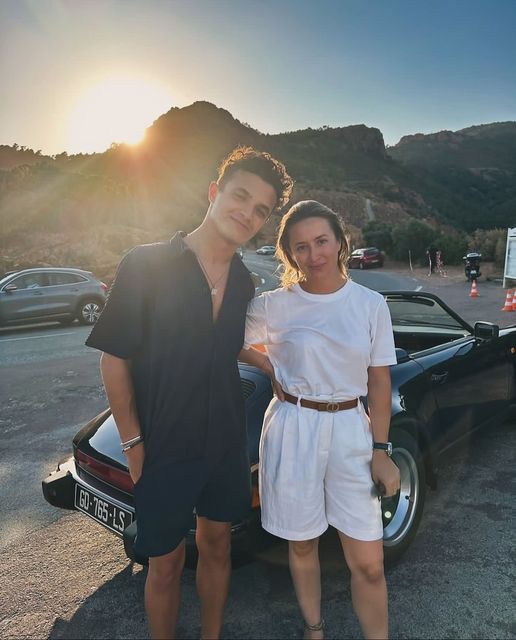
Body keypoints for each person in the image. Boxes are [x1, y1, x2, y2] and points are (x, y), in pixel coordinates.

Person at [85, 146, 293, 640]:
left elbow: (221, 344)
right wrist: (134, 446)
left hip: (224, 441)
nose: (247, 213)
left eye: (261, 210)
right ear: (214, 192)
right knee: (166, 560)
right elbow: (114, 358)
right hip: (163, 444)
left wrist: (263, 360)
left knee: (218, 546)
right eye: (240, 196)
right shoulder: (147, 264)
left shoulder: (244, 281)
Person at [239, 200, 400, 639]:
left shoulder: (370, 305)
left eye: (322, 241)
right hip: (293, 427)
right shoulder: (274, 305)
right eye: (302, 247)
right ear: (290, 255)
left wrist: (382, 450)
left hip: (351, 428)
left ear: (341, 241)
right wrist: (269, 366)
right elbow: (233, 341)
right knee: (303, 542)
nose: (315, 255)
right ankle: (315, 630)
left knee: (368, 562)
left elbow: (379, 381)